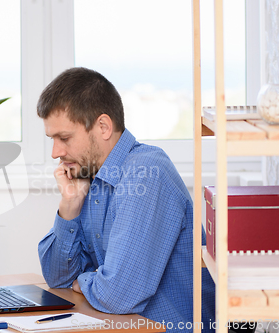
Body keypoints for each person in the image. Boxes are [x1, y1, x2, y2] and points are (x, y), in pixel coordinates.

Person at [37, 67, 216, 332]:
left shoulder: (146, 173)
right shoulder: (90, 178)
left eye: (64, 138)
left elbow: (118, 295)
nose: (55, 152)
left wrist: (84, 281)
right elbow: (58, 279)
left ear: (103, 127)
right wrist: (70, 206)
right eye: (53, 139)